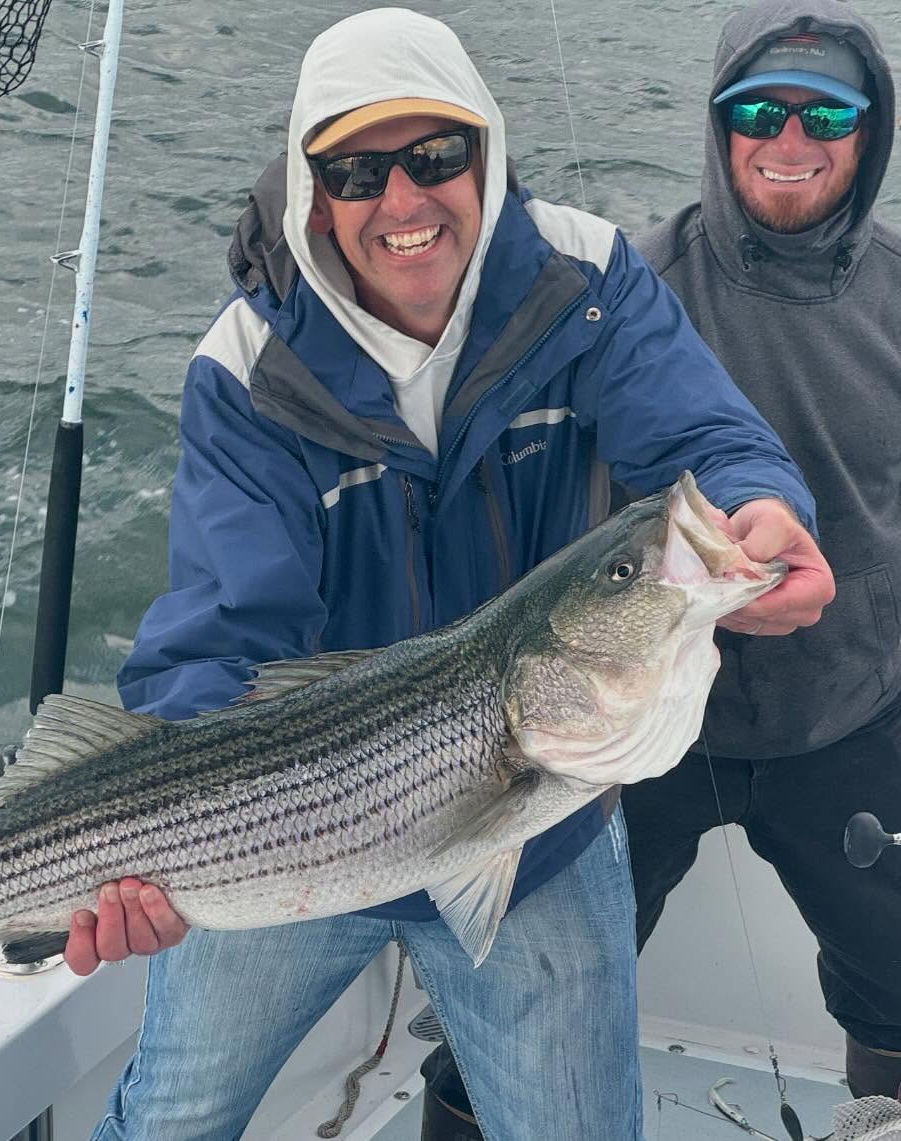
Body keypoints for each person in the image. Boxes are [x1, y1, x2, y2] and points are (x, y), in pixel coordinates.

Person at [64, 9, 834, 1140]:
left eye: (436, 155)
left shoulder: (586, 278)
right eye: (356, 170)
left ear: (490, 151)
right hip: (286, 835)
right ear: (310, 194)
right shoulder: (247, 369)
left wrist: (766, 508)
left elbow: (706, 443)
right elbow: (223, 634)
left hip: (536, 830)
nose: (404, 200)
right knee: (170, 1120)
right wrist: (137, 852)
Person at [619, 0, 901, 1105]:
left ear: (870, 131)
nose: (790, 141)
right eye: (759, 111)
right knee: (518, 989)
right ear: (718, 125)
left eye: (826, 111)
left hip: (850, 712)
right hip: (645, 722)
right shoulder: (633, 293)